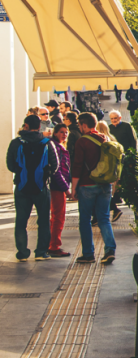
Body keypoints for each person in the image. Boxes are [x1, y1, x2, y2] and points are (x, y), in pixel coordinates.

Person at [6, 115, 59, 261]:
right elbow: (55, 165)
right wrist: (44, 176)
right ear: (39, 126)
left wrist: (21, 172)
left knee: (21, 221)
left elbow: (10, 165)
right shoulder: (47, 143)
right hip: (41, 187)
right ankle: (41, 252)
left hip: (22, 187)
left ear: (26, 126)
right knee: (43, 220)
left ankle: (22, 253)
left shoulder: (16, 143)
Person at [70, 113, 116, 265]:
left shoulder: (82, 142)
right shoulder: (105, 138)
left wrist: (73, 187)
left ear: (83, 125)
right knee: (103, 218)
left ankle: (88, 254)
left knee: (85, 220)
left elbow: (77, 165)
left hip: (87, 185)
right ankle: (110, 249)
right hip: (105, 185)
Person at [47, 124, 71, 258]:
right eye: (62, 132)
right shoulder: (56, 147)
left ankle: (50, 243)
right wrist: (66, 189)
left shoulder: (55, 146)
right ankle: (54, 246)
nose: (64, 134)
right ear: (55, 133)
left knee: (54, 217)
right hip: (56, 187)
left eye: (66, 132)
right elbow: (57, 171)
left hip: (53, 186)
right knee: (58, 217)